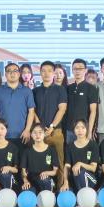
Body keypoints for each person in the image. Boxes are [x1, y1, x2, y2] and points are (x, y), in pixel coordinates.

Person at [32, 61, 67, 189]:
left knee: (60, 162)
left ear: (53, 73)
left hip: (56, 132)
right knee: (39, 162)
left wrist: (52, 126)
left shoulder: (60, 89)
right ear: (40, 73)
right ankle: (41, 189)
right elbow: (32, 110)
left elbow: (62, 109)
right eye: (43, 71)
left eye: (49, 71)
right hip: (38, 134)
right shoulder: (35, 91)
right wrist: (40, 128)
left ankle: (60, 190)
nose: (46, 73)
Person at [0, 63, 35, 147]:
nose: (12, 73)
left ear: (19, 74)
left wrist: (27, 130)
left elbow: (31, 112)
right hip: (2, 135)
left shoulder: (27, 91)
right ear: (5, 74)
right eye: (9, 71)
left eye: (15, 71)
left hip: (22, 135)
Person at [65, 59, 98, 144]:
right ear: (72, 70)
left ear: (85, 70)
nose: (77, 71)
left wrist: (89, 131)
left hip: (84, 130)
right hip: (69, 129)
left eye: (80, 68)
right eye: (75, 69)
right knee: (69, 151)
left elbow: (93, 111)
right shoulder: (68, 88)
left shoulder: (91, 88)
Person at [20, 122, 58, 193]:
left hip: (47, 180)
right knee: (26, 191)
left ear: (44, 133)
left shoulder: (51, 150)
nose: (37, 135)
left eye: (40, 132)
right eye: (35, 133)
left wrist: (47, 173)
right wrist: (25, 181)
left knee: (45, 180)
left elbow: (55, 171)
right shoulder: (27, 151)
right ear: (31, 135)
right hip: (32, 181)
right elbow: (23, 171)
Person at [62, 119, 99, 191]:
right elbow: (67, 166)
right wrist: (65, 181)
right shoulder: (70, 146)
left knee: (81, 172)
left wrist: (80, 164)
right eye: (77, 128)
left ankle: (85, 194)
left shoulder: (93, 145)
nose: (80, 130)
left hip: (91, 179)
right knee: (63, 192)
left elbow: (93, 168)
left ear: (87, 129)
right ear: (74, 130)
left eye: (83, 127)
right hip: (75, 179)